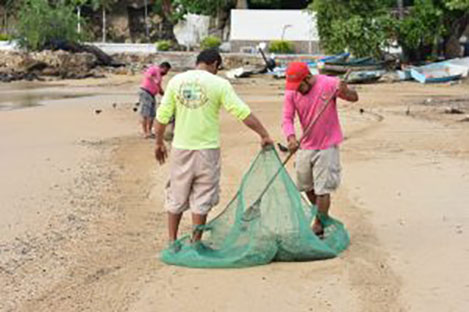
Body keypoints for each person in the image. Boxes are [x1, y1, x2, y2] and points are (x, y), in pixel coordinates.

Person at [154, 48, 274, 243]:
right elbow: (242, 112)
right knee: (203, 195)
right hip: (207, 149)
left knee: (177, 192)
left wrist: (159, 143)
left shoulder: (176, 81)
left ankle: (171, 239)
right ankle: (196, 241)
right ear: (214, 64)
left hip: (180, 147)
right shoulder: (219, 84)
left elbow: (162, 116)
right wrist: (264, 134)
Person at [282, 62, 358, 237]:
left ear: (308, 78)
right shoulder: (292, 92)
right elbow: (287, 118)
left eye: (299, 85)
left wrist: (345, 91)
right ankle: (322, 216)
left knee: (322, 189)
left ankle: (318, 225)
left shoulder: (329, 83)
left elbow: (354, 98)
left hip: (327, 146)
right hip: (306, 145)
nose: (297, 90)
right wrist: (291, 137)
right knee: (306, 185)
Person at [138, 62, 171, 138]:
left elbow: (159, 88)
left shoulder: (159, 76)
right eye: (166, 70)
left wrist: (166, 95)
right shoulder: (154, 69)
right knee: (145, 113)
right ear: (164, 68)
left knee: (152, 114)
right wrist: (154, 79)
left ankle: (149, 131)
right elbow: (147, 75)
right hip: (146, 92)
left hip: (152, 94)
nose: (166, 73)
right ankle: (145, 132)